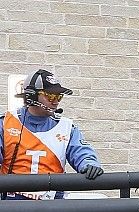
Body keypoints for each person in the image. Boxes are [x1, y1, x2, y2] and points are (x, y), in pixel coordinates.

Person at [1, 69, 103, 200]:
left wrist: (89, 164)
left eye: (59, 97)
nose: (56, 102)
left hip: (52, 207)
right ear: (31, 96)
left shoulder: (67, 128)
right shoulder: (5, 123)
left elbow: (81, 152)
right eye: (50, 96)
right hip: (11, 206)